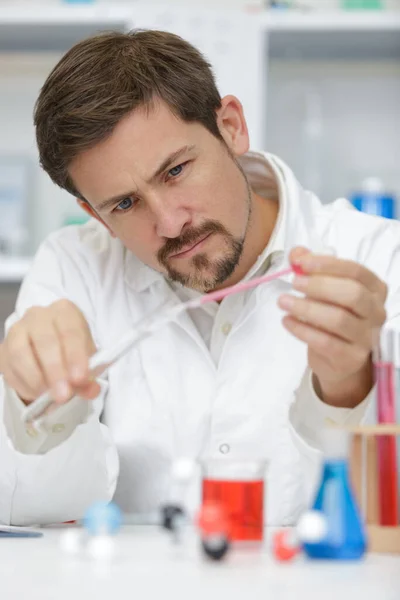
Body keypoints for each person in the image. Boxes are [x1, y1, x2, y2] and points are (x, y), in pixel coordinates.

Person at [0, 30, 397, 526]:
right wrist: (33, 400)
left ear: (231, 126)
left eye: (176, 171)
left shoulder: (380, 258)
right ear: (96, 216)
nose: (169, 223)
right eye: (125, 204)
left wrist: (346, 387)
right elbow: (28, 511)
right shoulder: (74, 267)